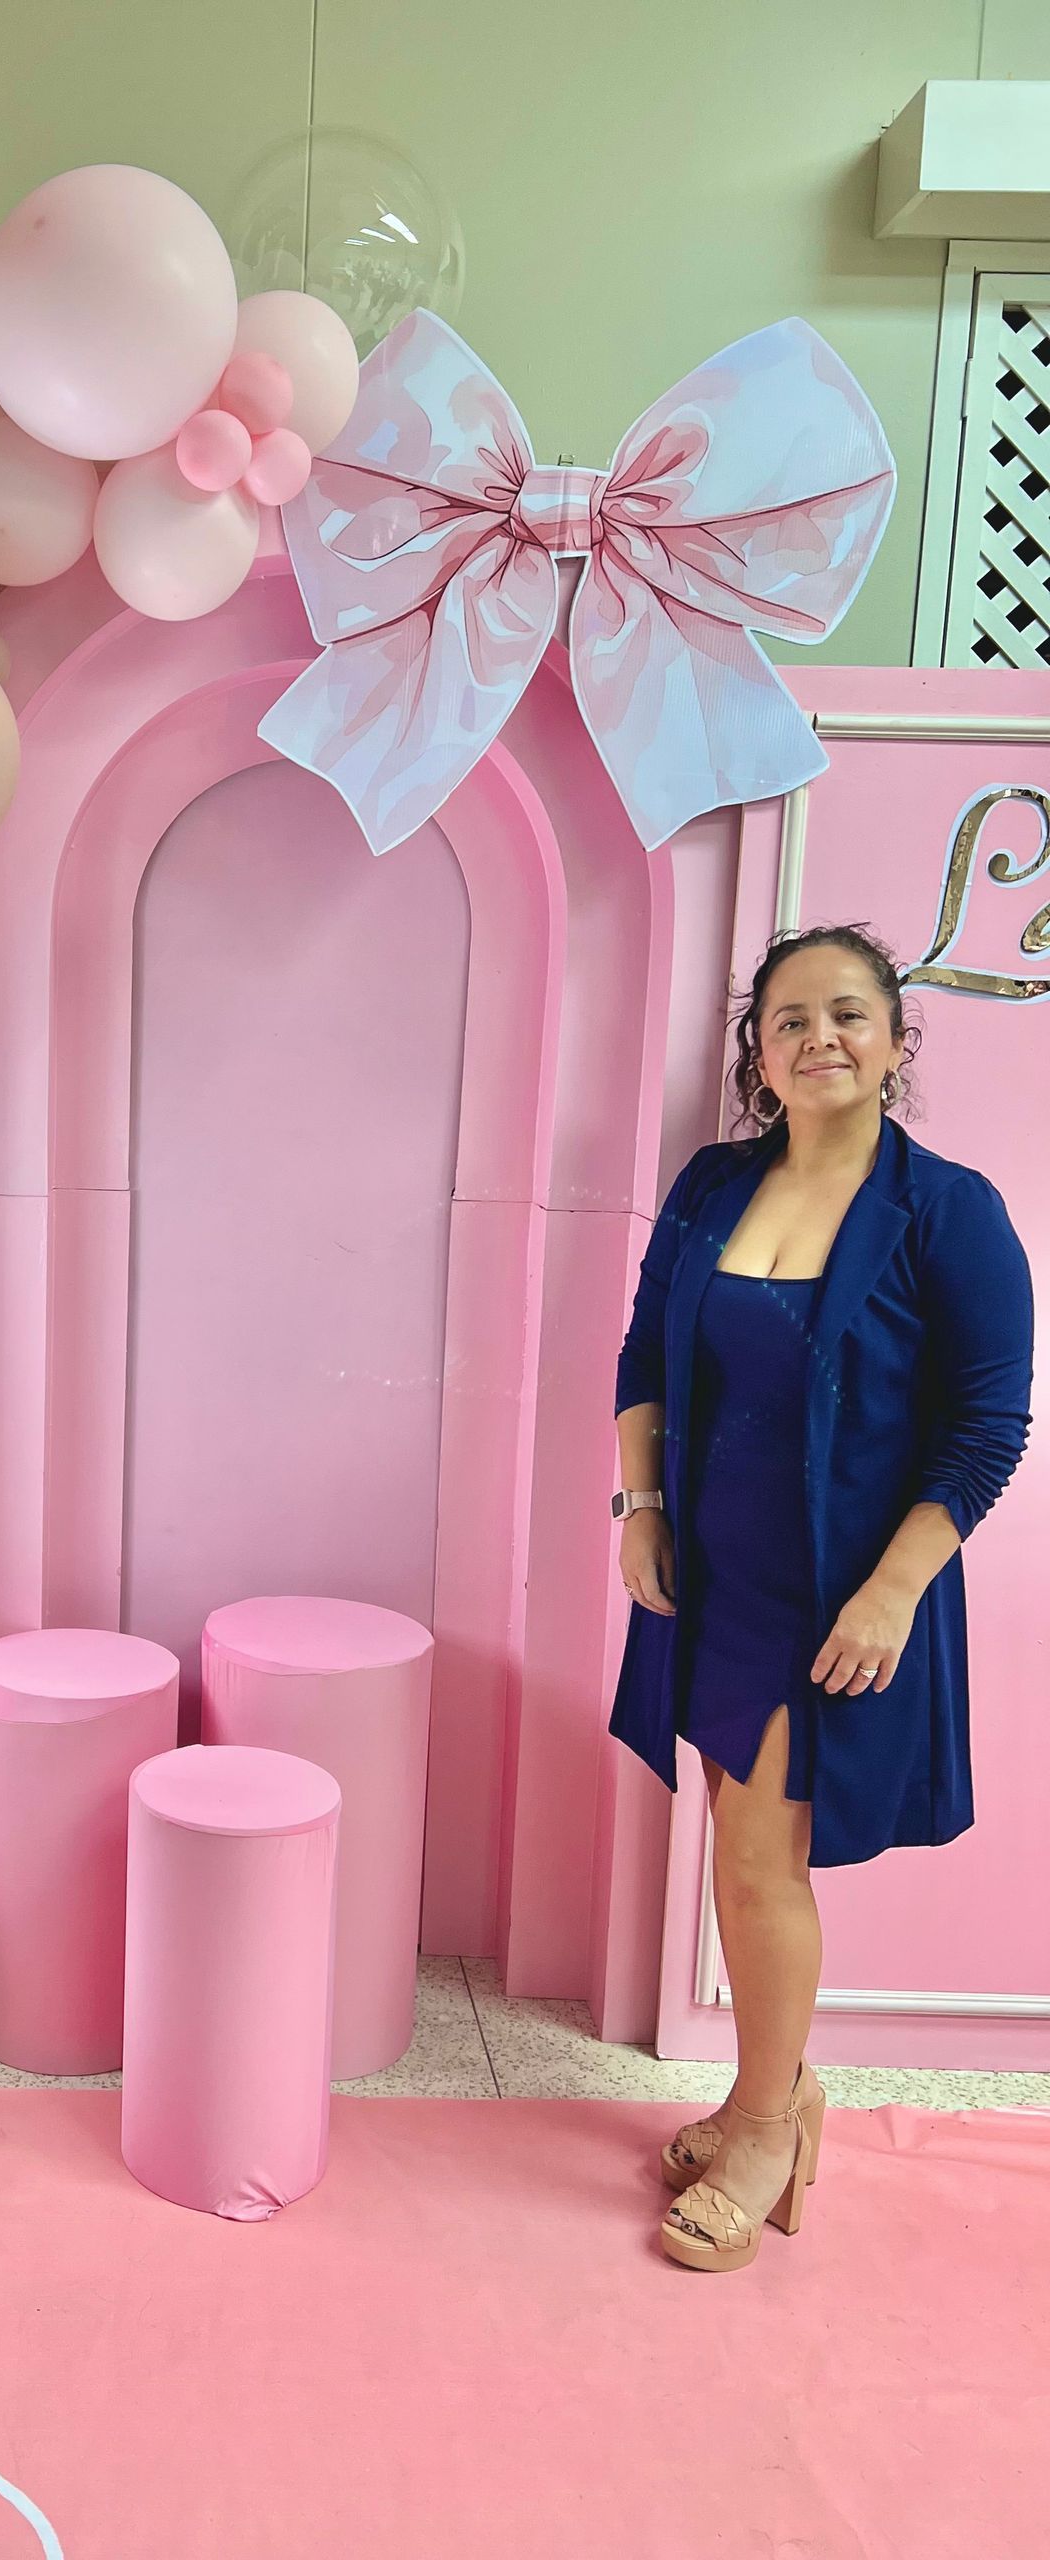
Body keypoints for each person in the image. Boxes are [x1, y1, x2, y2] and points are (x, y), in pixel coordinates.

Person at [608, 923, 1033, 2272]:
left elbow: (987, 1428)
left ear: (897, 1041)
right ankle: (775, 2093)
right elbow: (644, 1352)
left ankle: (765, 2125)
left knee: (758, 1860)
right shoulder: (713, 1184)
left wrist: (893, 1595)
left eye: (848, 1014)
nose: (819, 1039)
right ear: (759, 1053)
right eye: (789, 1019)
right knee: (739, 1844)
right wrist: (639, 1508)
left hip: (836, 1594)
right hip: (712, 1578)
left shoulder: (948, 1211)